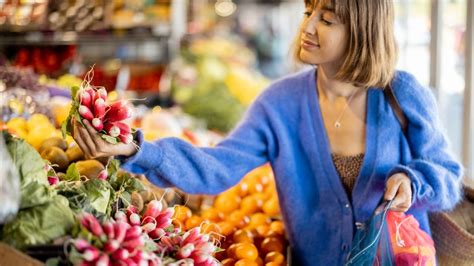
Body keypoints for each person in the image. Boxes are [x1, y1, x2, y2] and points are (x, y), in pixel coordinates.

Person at [72, 0, 463, 264]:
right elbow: (217, 166)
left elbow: (447, 178)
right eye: (309, 10)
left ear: (362, 29)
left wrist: (413, 182)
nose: (307, 26)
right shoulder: (281, 103)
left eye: (326, 19)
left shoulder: (401, 93)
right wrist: (137, 151)